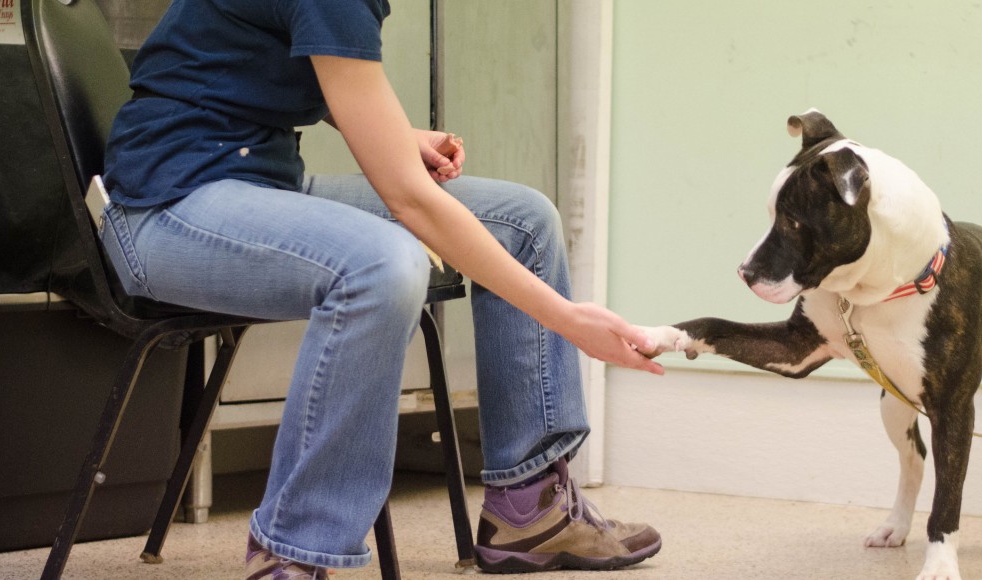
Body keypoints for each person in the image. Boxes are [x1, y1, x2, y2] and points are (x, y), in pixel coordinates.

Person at [99, 0, 665, 577]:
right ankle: (292, 551)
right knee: (382, 263)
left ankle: (530, 510)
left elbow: (275, 60)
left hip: (258, 179)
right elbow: (410, 199)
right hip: (167, 209)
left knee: (523, 221)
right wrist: (569, 320)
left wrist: (393, 133)